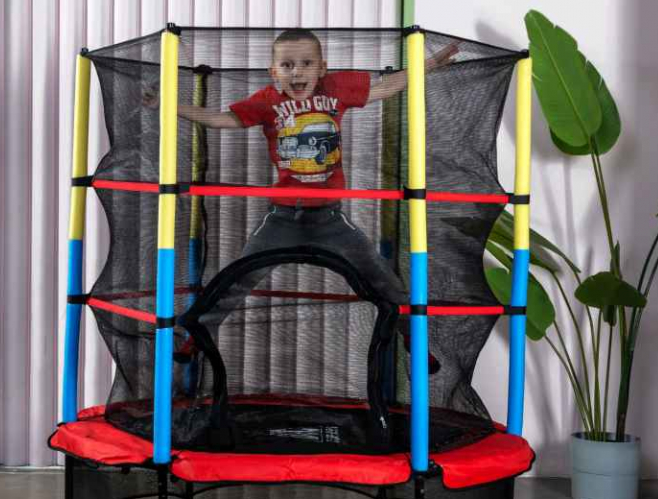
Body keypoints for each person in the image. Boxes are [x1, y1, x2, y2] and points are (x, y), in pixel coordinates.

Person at [145, 29, 457, 369]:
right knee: (238, 277)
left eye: (307, 64)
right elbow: (223, 119)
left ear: (322, 68)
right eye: (287, 65)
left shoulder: (335, 89)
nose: (297, 72)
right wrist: (168, 106)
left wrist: (427, 65)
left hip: (330, 219)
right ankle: (197, 336)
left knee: (381, 277)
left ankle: (414, 338)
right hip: (283, 218)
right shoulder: (267, 100)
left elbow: (385, 87)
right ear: (273, 72)